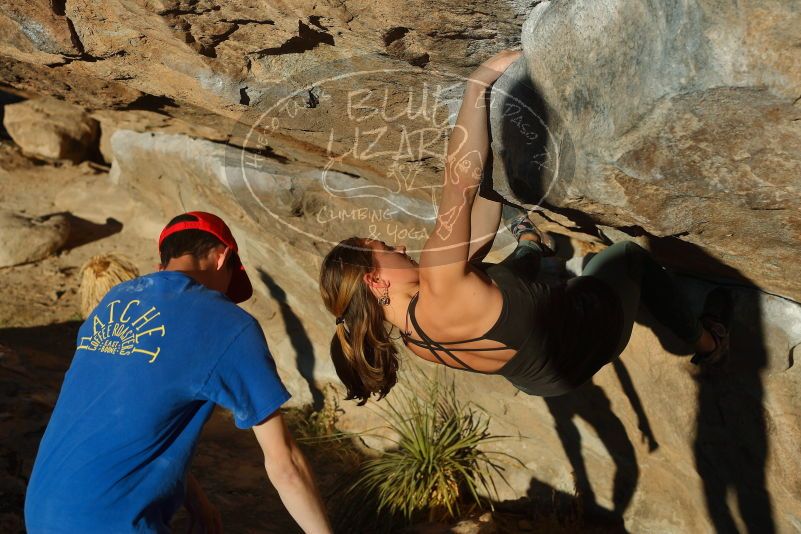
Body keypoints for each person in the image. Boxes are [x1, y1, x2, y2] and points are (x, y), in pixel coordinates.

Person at [318, 50, 730, 404]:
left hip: (549, 382)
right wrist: (477, 83)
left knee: (492, 274)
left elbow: (477, 228)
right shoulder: (439, 278)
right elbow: (458, 180)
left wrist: (491, 172)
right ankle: (708, 343)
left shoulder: (414, 340)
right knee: (625, 256)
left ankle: (531, 242)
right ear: (376, 281)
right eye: (385, 248)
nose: (400, 247)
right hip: (592, 337)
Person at [25, 211, 332, 533]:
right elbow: (287, 466)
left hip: (42, 511)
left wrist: (198, 504)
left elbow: (142, 426)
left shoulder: (113, 303)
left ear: (162, 267)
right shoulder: (228, 323)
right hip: (114, 522)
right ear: (221, 257)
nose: (226, 295)